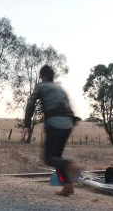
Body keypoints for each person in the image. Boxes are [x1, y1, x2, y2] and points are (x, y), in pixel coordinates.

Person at [22, 65, 80, 196]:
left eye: (41, 76)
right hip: (68, 123)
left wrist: (27, 124)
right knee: (56, 157)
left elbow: (31, 103)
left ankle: (68, 164)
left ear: (43, 76)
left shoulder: (41, 86)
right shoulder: (59, 88)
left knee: (49, 159)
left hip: (55, 123)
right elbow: (68, 105)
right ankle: (68, 186)